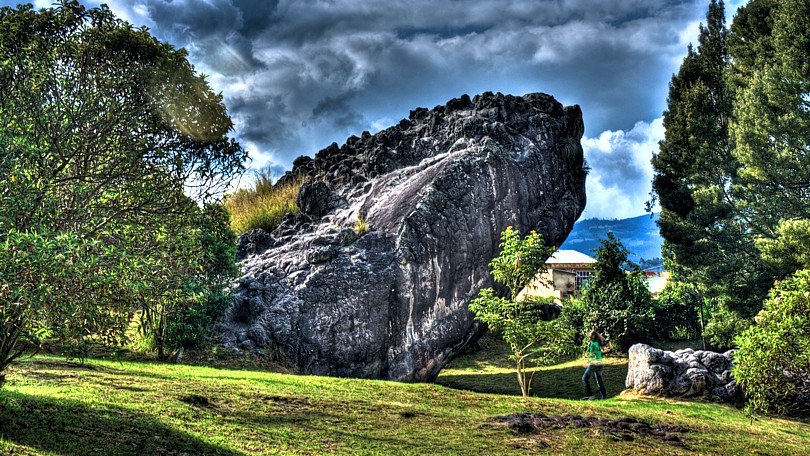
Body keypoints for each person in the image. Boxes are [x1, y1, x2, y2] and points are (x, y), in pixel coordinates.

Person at [581, 330, 607, 400]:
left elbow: (592, 355)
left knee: (585, 378)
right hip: (600, 363)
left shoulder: (592, 344)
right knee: (599, 380)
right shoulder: (598, 343)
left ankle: (590, 395)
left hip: (594, 363)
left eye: (589, 337)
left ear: (591, 337)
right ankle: (603, 396)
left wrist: (588, 363)